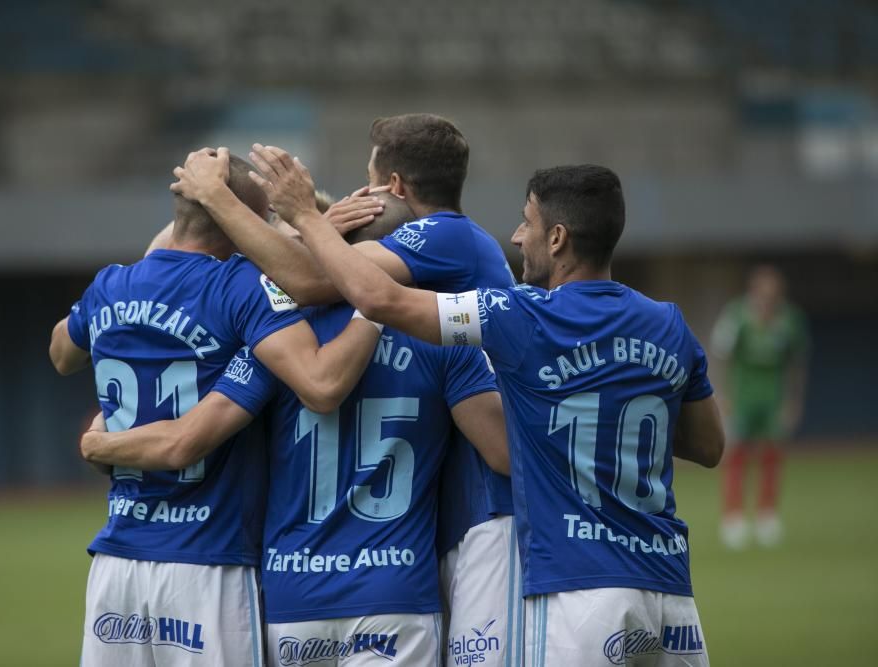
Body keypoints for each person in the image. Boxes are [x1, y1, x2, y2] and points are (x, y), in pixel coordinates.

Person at [245, 145, 725, 666]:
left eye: (527, 224)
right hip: (672, 593)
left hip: (581, 592)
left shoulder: (520, 316)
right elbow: (708, 445)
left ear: (558, 238)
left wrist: (303, 215)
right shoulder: (670, 324)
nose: (518, 238)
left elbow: (380, 299)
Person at [80, 197, 510, 666]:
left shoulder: (278, 342)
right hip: (396, 591)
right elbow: (503, 453)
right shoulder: (445, 345)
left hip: (293, 594)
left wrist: (105, 440)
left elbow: (189, 432)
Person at [171, 114, 523, 666]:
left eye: (370, 178)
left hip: (484, 516)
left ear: (395, 187)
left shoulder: (442, 237)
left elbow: (309, 282)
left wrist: (254, 206)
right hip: (434, 533)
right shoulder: (442, 268)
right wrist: (320, 226)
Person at [48, 153, 384, 667]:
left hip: (117, 561)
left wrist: (102, 438)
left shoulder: (111, 283)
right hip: (208, 560)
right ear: (241, 223)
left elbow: (61, 354)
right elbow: (320, 377)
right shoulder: (241, 288)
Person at [711, 265, 809, 549]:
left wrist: (793, 401)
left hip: (773, 400)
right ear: (752, 291)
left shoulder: (790, 321)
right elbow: (721, 355)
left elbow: (796, 364)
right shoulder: (737, 316)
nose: (767, 298)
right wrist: (721, 395)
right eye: (762, 292)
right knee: (737, 457)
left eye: (773, 293)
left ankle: (767, 516)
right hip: (742, 400)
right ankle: (733, 517)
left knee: (771, 457)